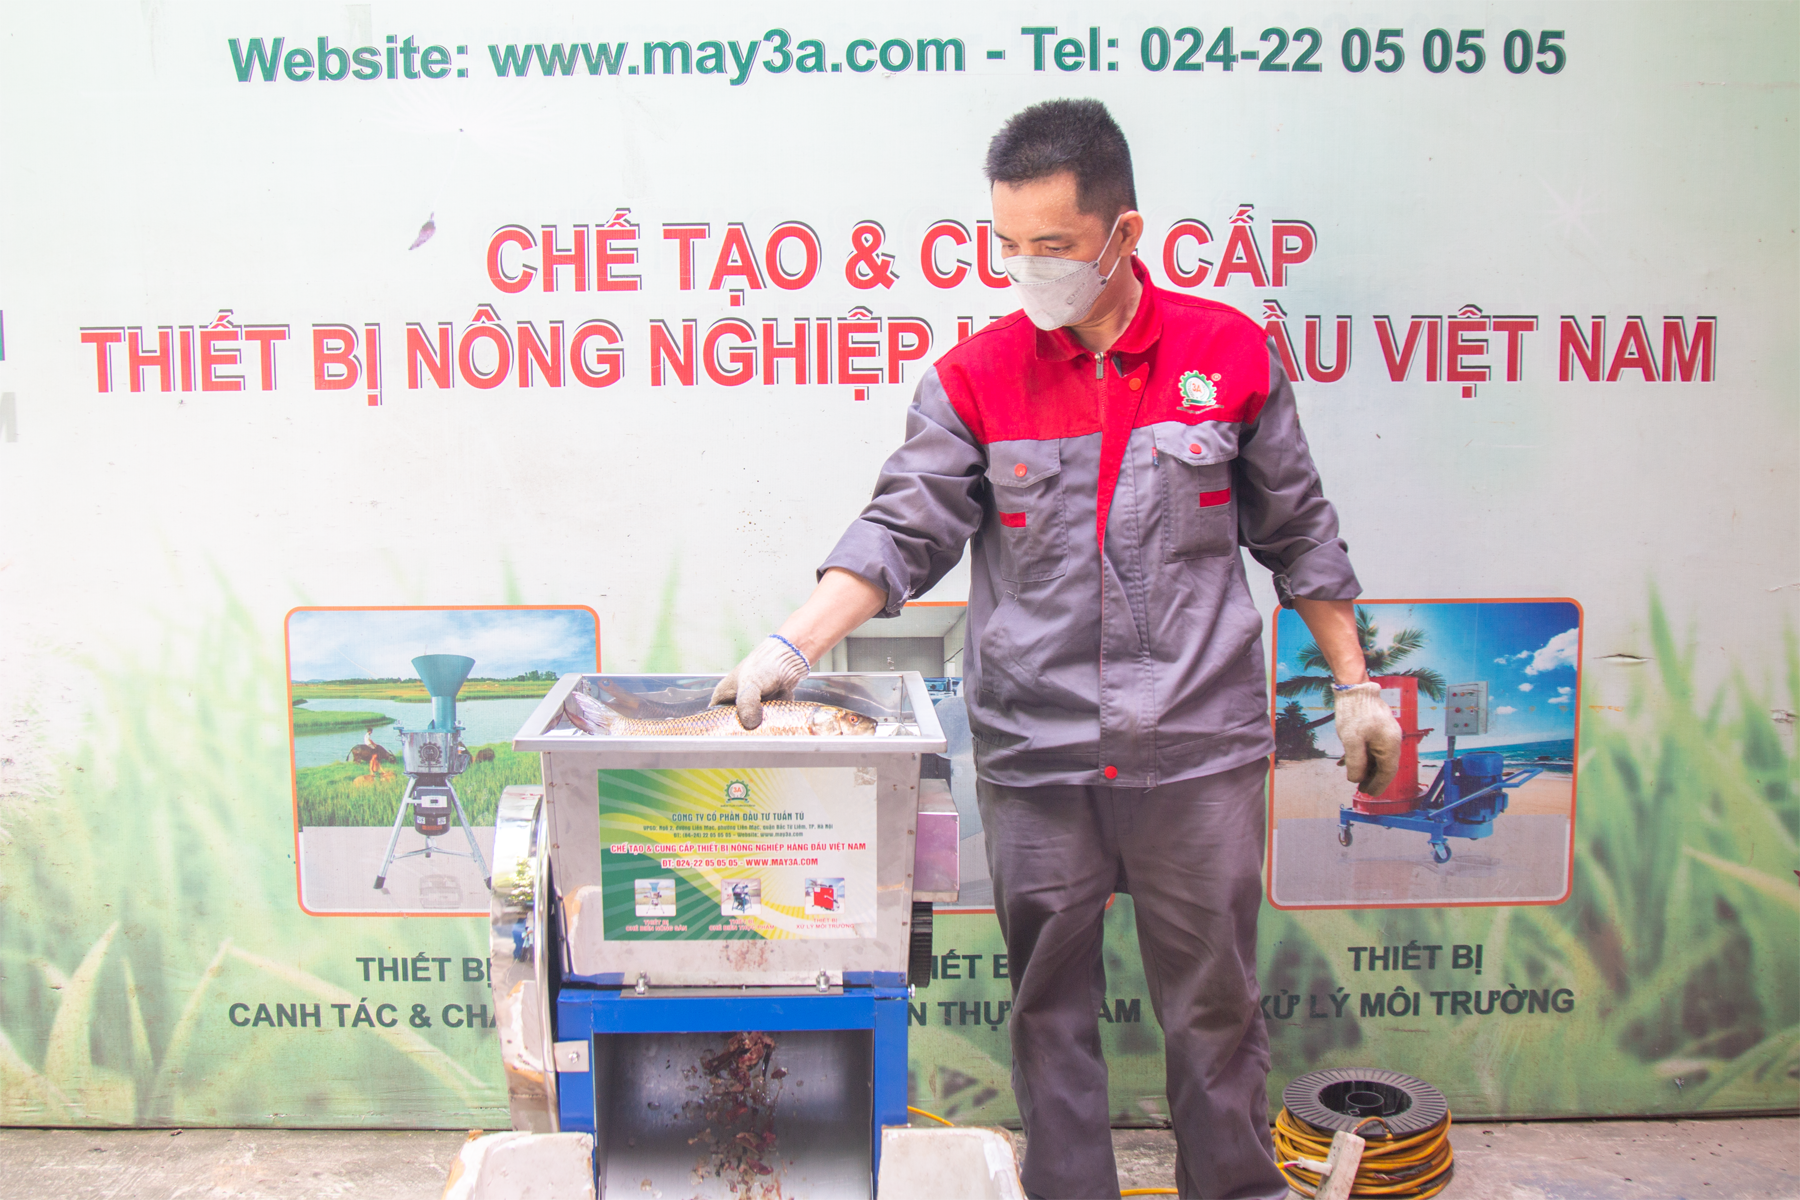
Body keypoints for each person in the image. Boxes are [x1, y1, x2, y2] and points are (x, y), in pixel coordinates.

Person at [714, 99, 1401, 1200]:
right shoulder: (974, 378)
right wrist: (787, 647)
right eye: (1009, 244)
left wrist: (1356, 687)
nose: (1028, 270)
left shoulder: (1227, 354)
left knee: (1216, 1007)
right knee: (1050, 1011)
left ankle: (1233, 1187)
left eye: (1053, 246)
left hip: (1197, 754)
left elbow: (1301, 535)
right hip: (1041, 758)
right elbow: (901, 531)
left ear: (1123, 234)